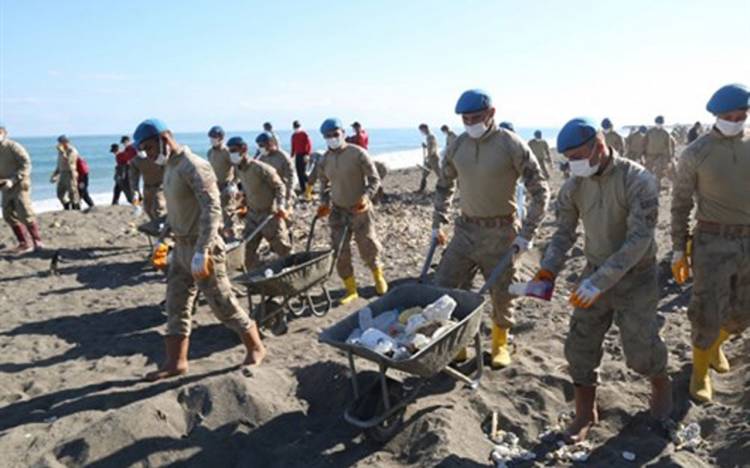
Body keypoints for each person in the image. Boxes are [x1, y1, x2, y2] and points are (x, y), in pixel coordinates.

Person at [534, 117, 671, 442]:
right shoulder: (574, 186)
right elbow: (563, 233)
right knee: (579, 344)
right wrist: (548, 269)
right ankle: (585, 412)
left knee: (640, 350)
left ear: (599, 146)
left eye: (579, 156)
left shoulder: (638, 180)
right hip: (594, 270)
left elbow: (639, 240)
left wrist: (600, 282)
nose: (573, 164)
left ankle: (661, 386)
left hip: (637, 275)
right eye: (568, 159)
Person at [132, 118, 266, 381]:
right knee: (176, 304)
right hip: (180, 247)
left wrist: (202, 250)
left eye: (150, 147)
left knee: (222, 302)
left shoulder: (193, 165)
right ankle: (176, 362)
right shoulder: (170, 168)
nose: (149, 154)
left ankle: (256, 346)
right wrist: (163, 240)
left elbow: (212, 208)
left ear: (165, 138)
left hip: (202, 246)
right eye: (145, 150)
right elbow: (176, 210)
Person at [432, 89, 549, 368]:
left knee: (502, 291)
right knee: (446, 285)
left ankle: (499, 344)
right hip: (465, 230)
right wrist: (439, 223)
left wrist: (526, 233)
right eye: (466, 119)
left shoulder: (510, 144)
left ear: (491, 114)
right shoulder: (458, 145)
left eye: (476, 117)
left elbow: (540, 190)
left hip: (501, 232)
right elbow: (444, 185)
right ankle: (457, 340)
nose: (471, 123)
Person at [670, 83, 750, 403]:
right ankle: (700, 371)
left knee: (743, 313)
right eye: (729, 116)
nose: (736, 120)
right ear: (716, 116)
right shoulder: (696, 152)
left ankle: (715, 347)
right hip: (712, 241)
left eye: (741, 115)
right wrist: (679, 248)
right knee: (706, 311)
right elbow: (679, 203)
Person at [316, 117, 386, 303]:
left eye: (335, 134)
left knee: (368, 245)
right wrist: (324, 203)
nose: (332, 138)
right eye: (328, 136)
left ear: (343, 133)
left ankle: (378, 277)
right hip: (338, 211)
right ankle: (351, 289)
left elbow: (374, 179)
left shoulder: (358, 153)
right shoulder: (324, 160)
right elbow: (323, 185)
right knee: (339, 250)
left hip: (359, 209)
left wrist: (366, 197)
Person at [227, 136, 291, 270]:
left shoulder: (260, 168)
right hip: (252, 216)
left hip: (269, 215)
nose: (231, 154)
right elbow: (247, 188)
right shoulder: (238, 169)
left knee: (283, 249)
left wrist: (280, 205)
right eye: (229, 151)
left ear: (243, 149)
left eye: (234, 150)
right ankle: (255, 279)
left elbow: (279, 186)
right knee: (246, 251)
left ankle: (290, 274)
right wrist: (242, 204)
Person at [0, 124, 43, 252]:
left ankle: (37, 242)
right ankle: (24, 242)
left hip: (19, 184)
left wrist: (14, 179)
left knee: (25, 212)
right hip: (5, 186)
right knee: (8, 214)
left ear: (4, 133)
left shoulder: (13, 146)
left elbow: (26, 164)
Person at [206, 125, 238, 238]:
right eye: (211, 137)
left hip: (227, 186)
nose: (212, 140)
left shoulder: (227, 152)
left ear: (221, 138)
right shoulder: (210, 152)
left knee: (228, 213)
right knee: (215, 213)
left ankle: (232, 236)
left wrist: (234, 183)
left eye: (214, 137)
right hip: (214, 186)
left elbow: (237, 167)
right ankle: (220, 236)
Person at [255, 132, 295, 208]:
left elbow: (290, 178)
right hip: (268, 192)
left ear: (270, 143)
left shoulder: (283, 157)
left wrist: (288, 195)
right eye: (259, 146)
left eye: (262, 145)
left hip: (283, 191)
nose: (260, 148)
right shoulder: (261, 157)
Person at [129, 145, 166, 221]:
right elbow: (133, 178)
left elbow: (169, 168)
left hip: (160, 187)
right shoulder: (136, 161)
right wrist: (136, 192)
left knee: (158, 209)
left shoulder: (158, 157)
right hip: (147, 188)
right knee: (148, 209)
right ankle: (157, 226)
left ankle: (163, 228)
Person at [644, 115, 676, 188]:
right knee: (647, 171)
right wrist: (642, 154)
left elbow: (669, 147)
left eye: (661, 124)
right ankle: (647, 187)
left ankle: (657, 187)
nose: (659, 125)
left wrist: (669, 159)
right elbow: (644, 143)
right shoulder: (649, 132)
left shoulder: (665, 133)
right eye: (658, 123)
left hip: (660, 156)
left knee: (658, 172)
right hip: (650, 156)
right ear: (655, 123)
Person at [50, 135, 80, 210]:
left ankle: (75, 208)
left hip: (70, 173)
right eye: (59, 142)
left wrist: (62, 152)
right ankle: (66, 205)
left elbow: (69, 162)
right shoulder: (61, 152)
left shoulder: (72, 150)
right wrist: (54, 175)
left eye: (61, 142)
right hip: (62, 174)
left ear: (66, 142)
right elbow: (59, 165)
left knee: (72, 193)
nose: (59, 144)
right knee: (60, 193)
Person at [291, 120, 312, 197]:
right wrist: (292, 156)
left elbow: (309, 144)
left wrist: (307, 154)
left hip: (304, 155)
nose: (296, 128)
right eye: (295, 127)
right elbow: (293, 146)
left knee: (303, 173)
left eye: (297, 126)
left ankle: (309, 187)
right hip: (297, 155)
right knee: (299, 172)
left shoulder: (304, 134)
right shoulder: (293, 136)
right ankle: (303, 189)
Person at [417, 123, 440, 193]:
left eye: (421, 130)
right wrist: (426, 146)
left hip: (433, 158)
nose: (421, 132)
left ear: (424, 129)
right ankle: (421, 189)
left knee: (439, 174)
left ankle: (444, 188)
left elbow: (432, 148)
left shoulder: (430, 136)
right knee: (424, 174)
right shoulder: (429, 136)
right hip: (430, 158)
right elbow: (430, 146)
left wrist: (429, 156)